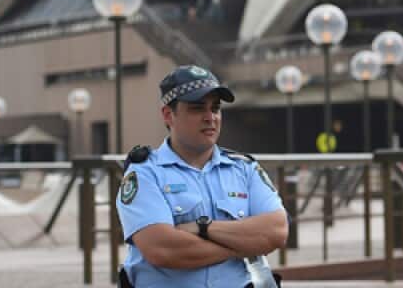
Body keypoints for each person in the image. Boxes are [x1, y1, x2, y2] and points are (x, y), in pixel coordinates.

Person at [117, 65, 288, 287]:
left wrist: (202, 228)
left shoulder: (244, 169)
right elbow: (163, 249)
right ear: (169, 115)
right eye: (197, 109)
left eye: (215, 108)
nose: (210, 117)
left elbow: (276, 231)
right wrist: (244, 245)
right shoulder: (145, 174)